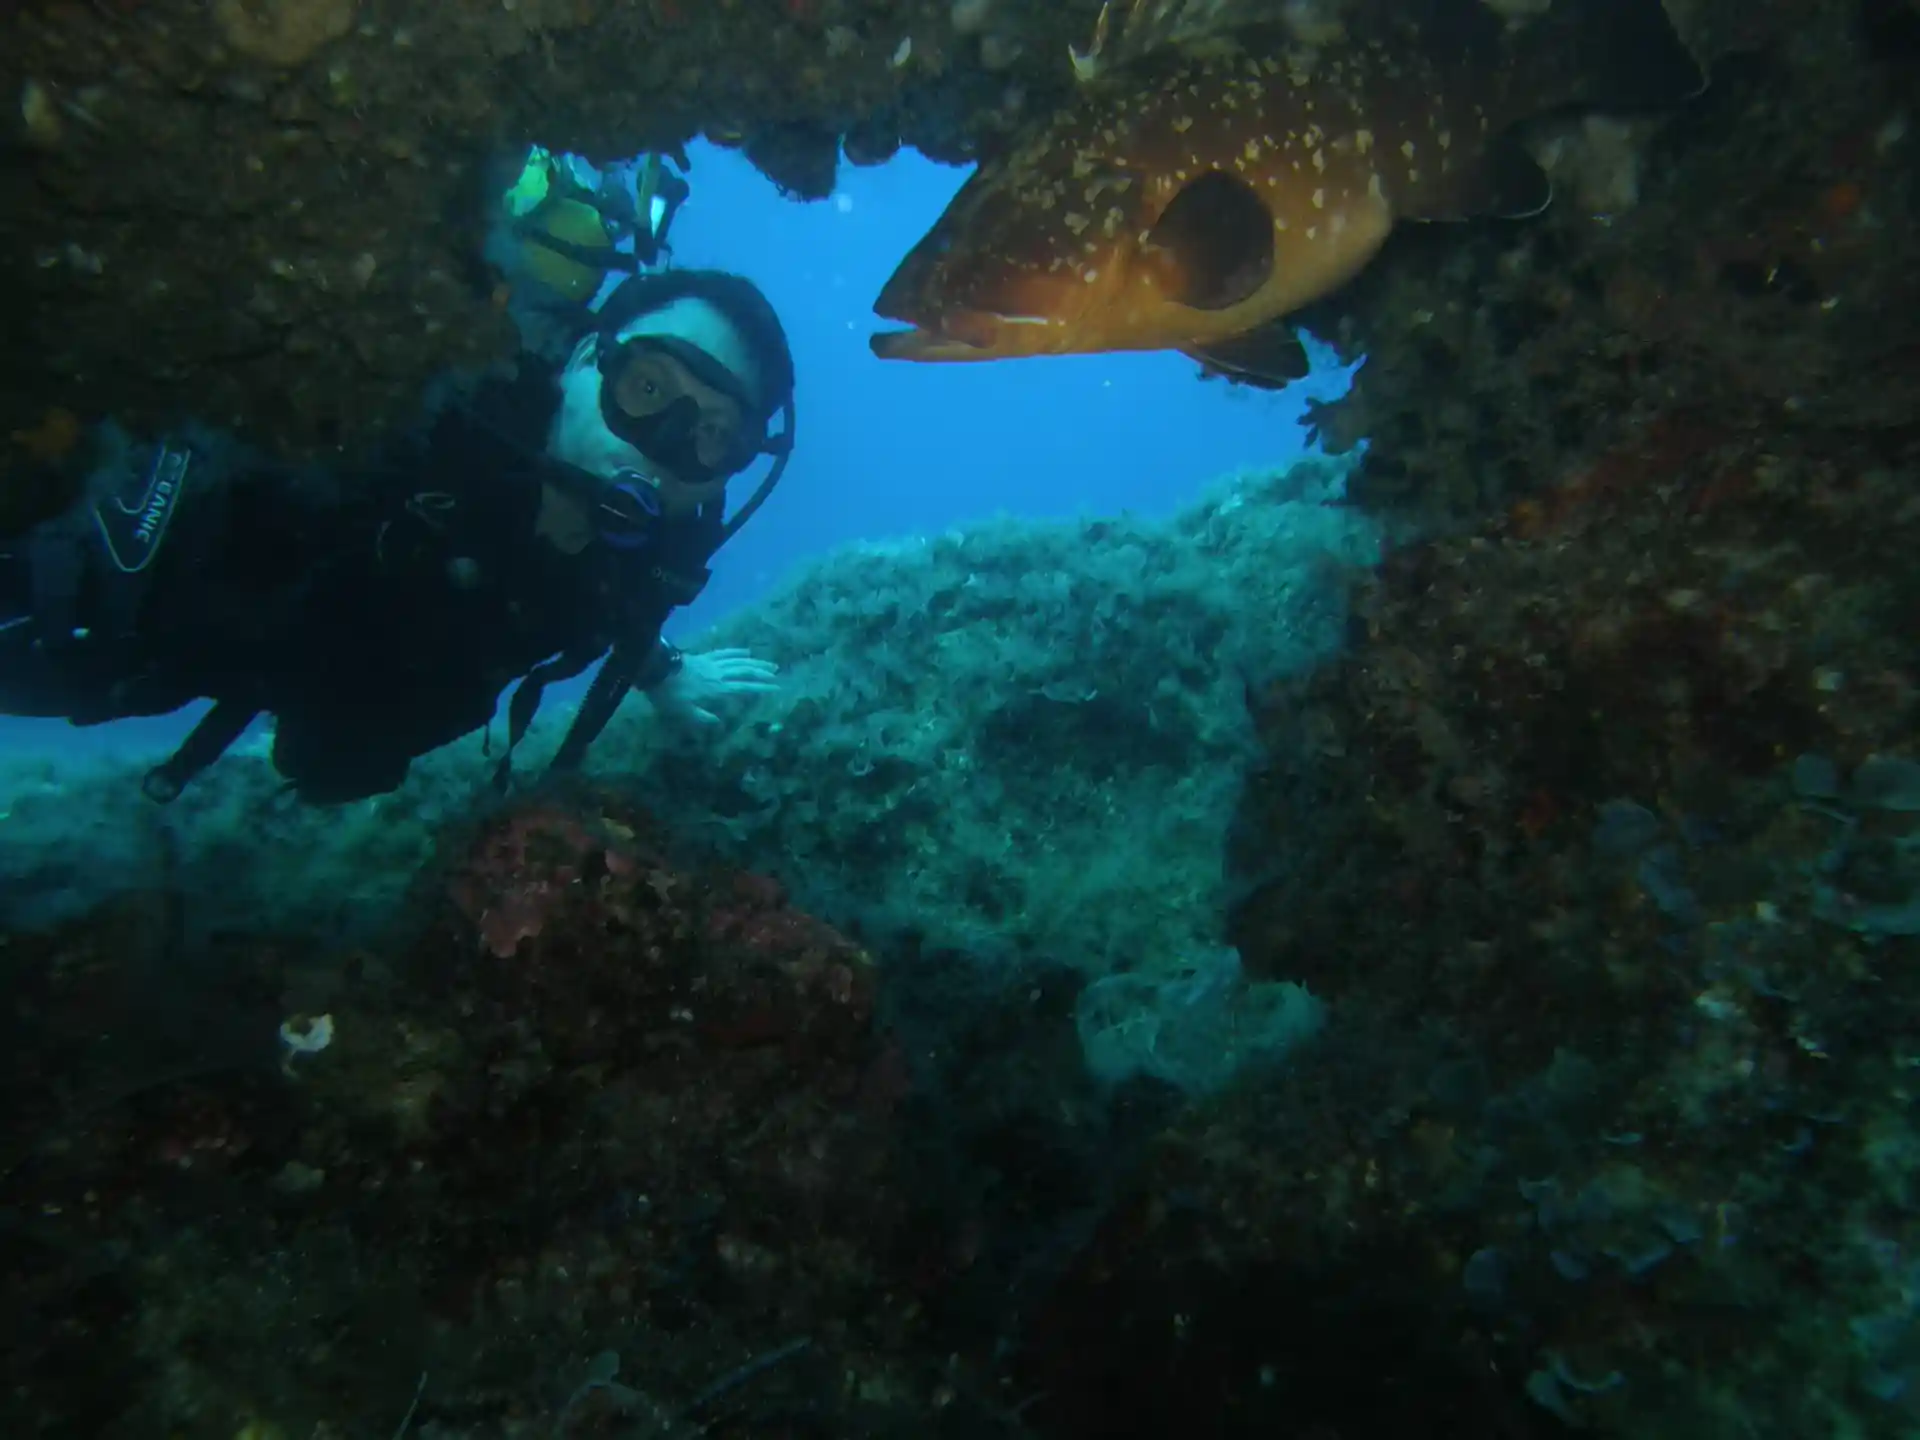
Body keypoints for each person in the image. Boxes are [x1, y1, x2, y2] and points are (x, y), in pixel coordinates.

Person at [0, 263, 796, 804]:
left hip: (177, 682)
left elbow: (611, 607)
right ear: (586, 358)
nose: (663, 444)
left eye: (713, 435)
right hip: (96, 612)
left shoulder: (645, 561)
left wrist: (660, 669)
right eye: (648, 387)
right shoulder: (427, 407)